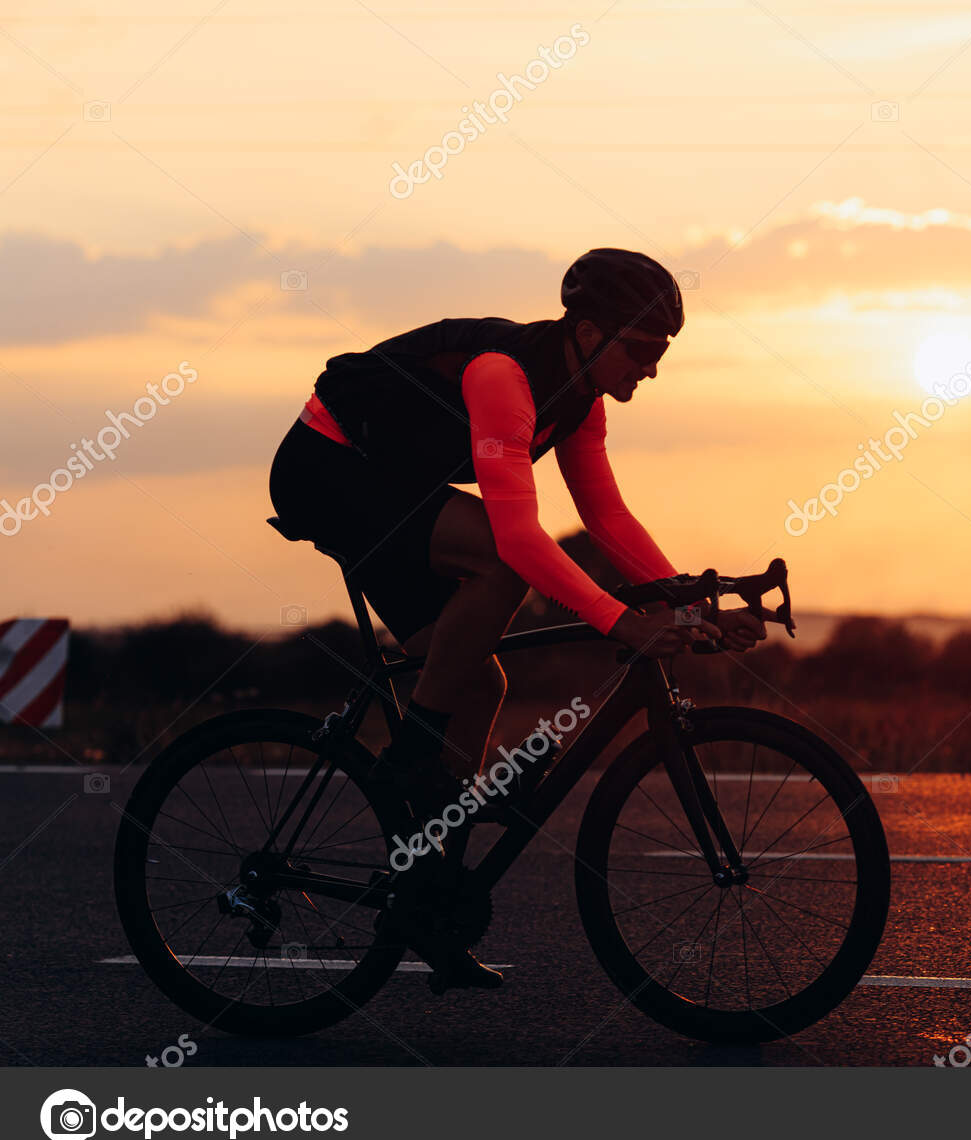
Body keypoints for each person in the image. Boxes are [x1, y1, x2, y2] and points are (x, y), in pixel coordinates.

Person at [268, 248, 767, 986]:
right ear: (589, 332)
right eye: (642, 349)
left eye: (662, 352)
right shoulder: (504, 375)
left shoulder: (581, 401)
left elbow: (607, 519)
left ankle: (427, 899)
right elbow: (519, 538)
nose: (652, 368)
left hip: (391, 490)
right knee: (502, 564)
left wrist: (694, 610)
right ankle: (414, 753)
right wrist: (620, 622)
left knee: (481, 684)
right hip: (326, 468)